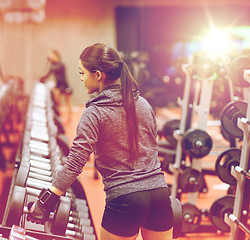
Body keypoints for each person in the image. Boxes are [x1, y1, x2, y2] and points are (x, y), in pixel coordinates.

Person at [28, 43, 173, 240]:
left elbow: (74, 163)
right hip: (160, 195)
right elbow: (152, 148)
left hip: (126, 200)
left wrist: (47, 200)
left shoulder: (95, 113)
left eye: (82, 73)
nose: (81, 79)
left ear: (98, 75)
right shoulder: (143, 104)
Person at [40, 49, 73, 123]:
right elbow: (48, 74)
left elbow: (55, 70)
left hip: (64, 84)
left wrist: (50, 62)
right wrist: (41, 79)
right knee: (58, 102)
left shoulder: (61, 63)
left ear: (55, 55)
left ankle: (69, 118)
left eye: (51, 55)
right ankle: (59, 117)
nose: (50, 57)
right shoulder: (53, 64)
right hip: (58, 85)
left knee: (68, 101)